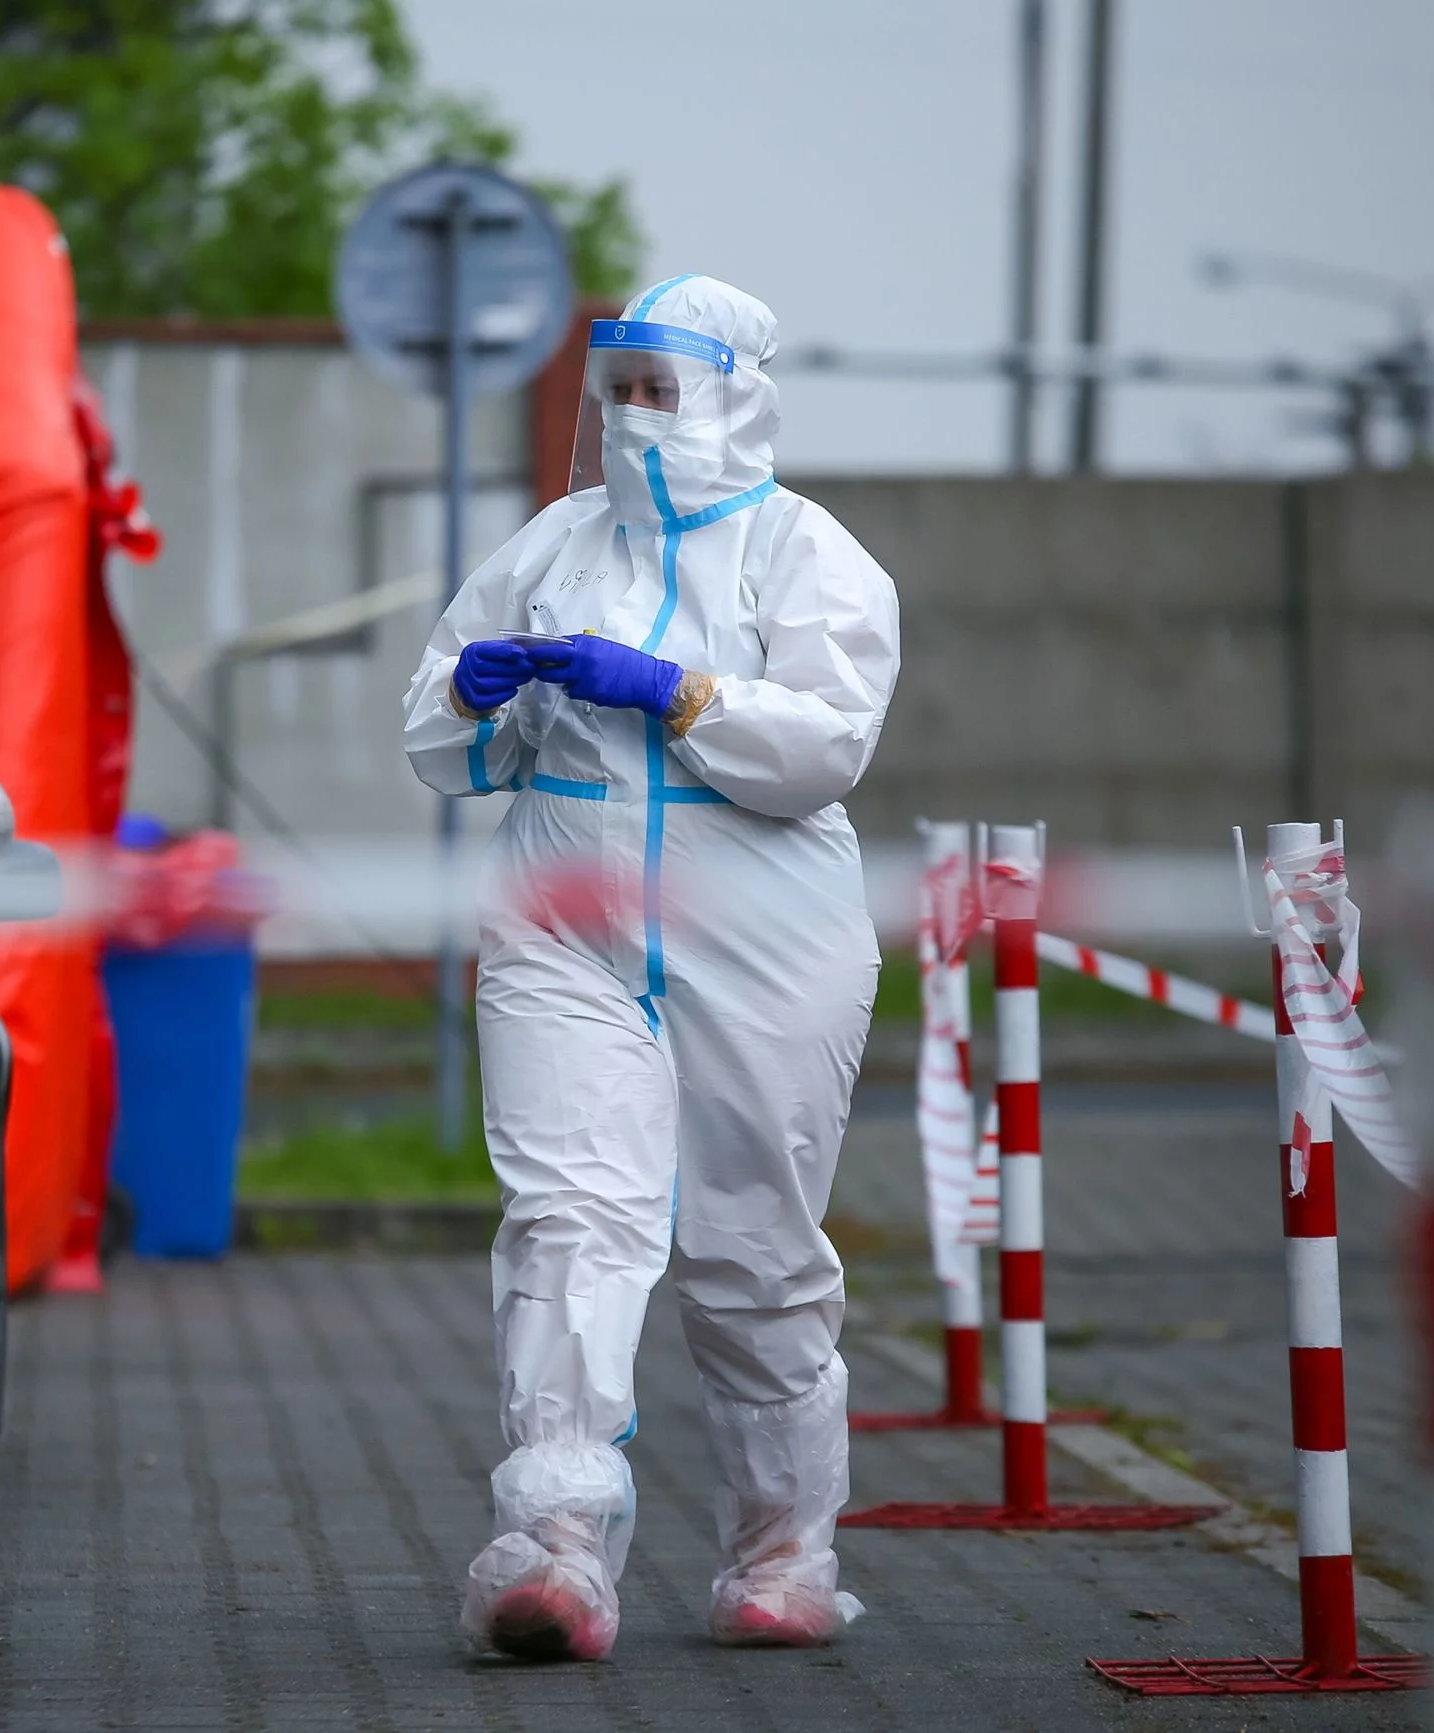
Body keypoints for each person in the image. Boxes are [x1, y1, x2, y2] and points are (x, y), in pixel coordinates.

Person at [400, 275, 900, 1661]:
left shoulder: (810, 554)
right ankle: (556, 1547)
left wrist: (676, 691)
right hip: (566, 919)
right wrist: (475, 697)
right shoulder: (551, 548)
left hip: (768, 933)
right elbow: (437, 742)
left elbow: (826, 748)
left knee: (753, 1249)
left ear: (738, 396)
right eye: (616, 389)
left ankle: (785, 1550)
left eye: (661, 391)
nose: (632, 418)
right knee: (569, 1222)